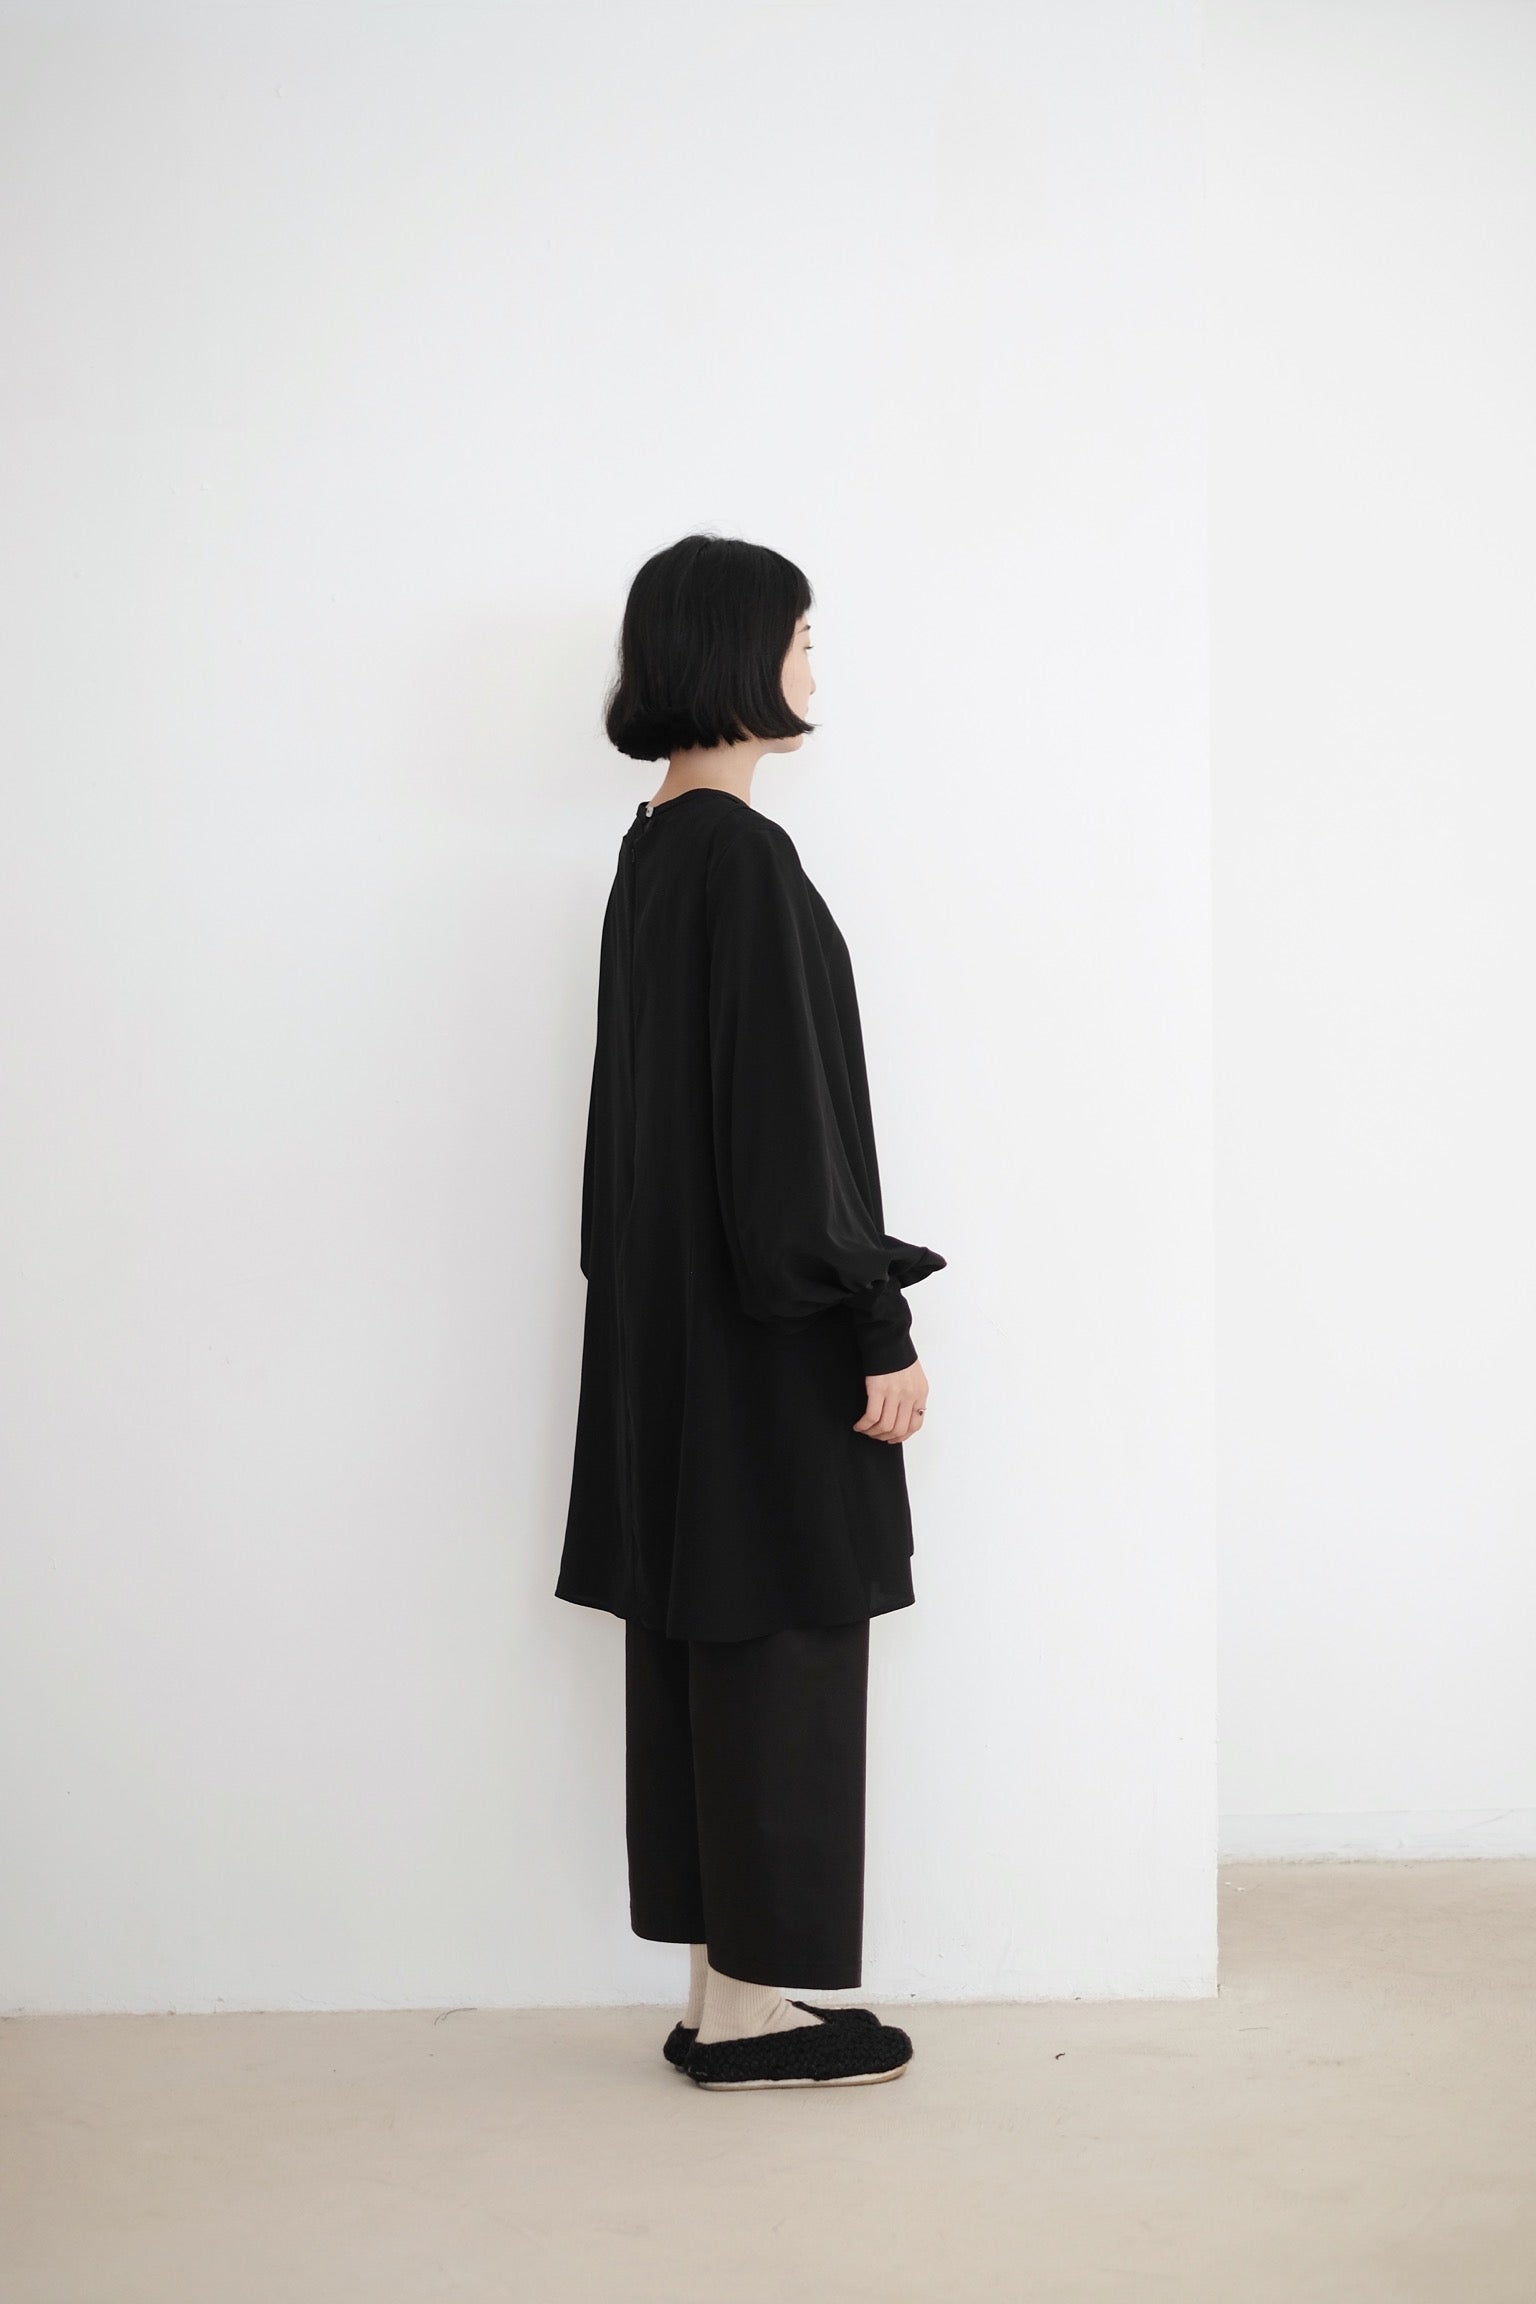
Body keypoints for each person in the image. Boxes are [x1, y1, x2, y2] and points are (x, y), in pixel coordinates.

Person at [555, 533, 946, 2090]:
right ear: (734, 653)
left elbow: (637, 1143)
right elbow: (786, 1134)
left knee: (710, 1653)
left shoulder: (655, 851)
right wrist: (876, 1323)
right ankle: (746, 2018)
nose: (811, 663)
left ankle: (729, 2004)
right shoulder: (742, 861)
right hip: (764, 1338)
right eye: (799, 636)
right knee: (781, 1649)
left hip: (674, 1345)